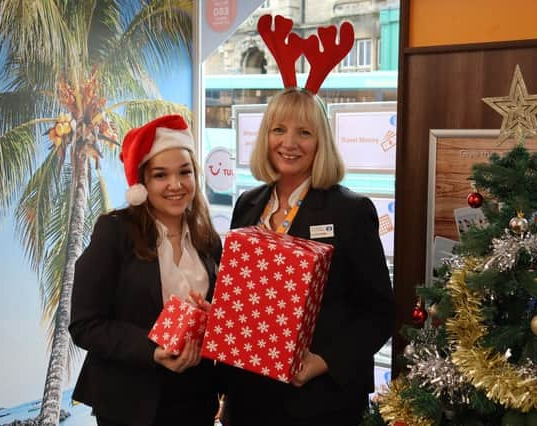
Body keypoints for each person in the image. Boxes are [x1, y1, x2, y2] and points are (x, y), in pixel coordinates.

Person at [221, 87, 395, 426]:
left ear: (321, 142)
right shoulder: (248, 204)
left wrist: (323, 361)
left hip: (320, 401)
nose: (289, 143)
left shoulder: (350, 211)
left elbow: (380, 313)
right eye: (278, 130)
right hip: (248, 396)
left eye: (304, 132)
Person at [69, 114, 222, 426]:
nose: (176, 185)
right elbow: (85, 324)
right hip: (131, 403)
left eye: (185, 172)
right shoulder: (115, 232)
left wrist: (214, 319)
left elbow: (217, 317)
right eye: (161, 175)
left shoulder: (209, 238)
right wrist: (153, 350)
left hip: (196, 399)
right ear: (142, 183)